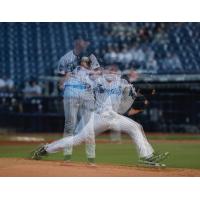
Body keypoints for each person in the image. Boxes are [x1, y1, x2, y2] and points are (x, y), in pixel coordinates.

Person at [32, 65, 169, 167]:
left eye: (114, 71)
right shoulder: (97, 82)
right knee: (78, 139)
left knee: (135, 127)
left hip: (113, 117)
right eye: (109, 70)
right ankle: (46, 149)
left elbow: (139, 88)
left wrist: (149, 91)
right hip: (98, 117)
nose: (112, 73)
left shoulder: (121, 83)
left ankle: (146, 156)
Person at [57, 34, 100, 162]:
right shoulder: (65, 59)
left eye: (86, 41)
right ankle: (67, 155)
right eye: (82, 41)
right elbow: (60, 81)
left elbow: (98, 74)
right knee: (70, 125)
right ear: (76, 41)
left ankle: (91, 157)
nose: (85, 43)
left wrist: (90, 73)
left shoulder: (91, 57)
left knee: (89, 127)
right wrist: (65, 81)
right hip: (71, 94)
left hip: (87, 93)